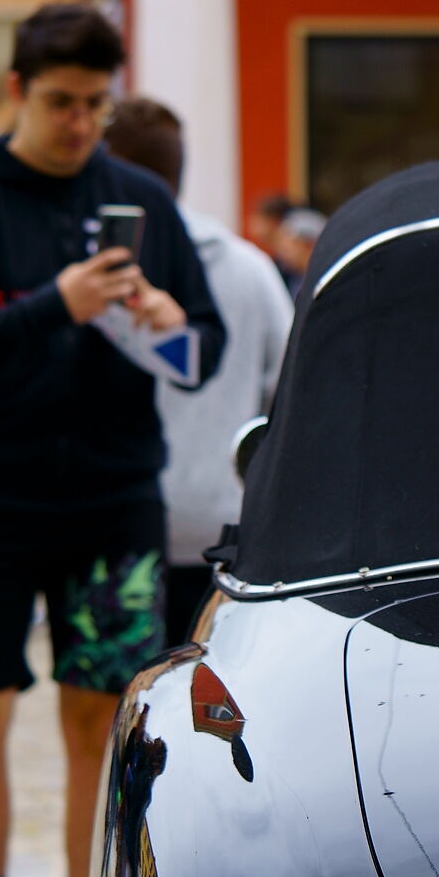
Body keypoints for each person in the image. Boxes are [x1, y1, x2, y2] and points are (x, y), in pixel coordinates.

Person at [0, 2, 224, 877]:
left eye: (96, 104)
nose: (80, 123)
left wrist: (172, 326)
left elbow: (201, 354)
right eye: (61, 104)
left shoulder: (137, 198)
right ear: (17, 95)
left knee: (100, 719)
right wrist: (57, 305)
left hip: (109, 496)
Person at [102, 98, 292, 643]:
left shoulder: (92, 274)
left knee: (118, 707)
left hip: (115, 526)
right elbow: (286, 397)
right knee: (205, 708)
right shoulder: (250, 269)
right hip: (223, 526)